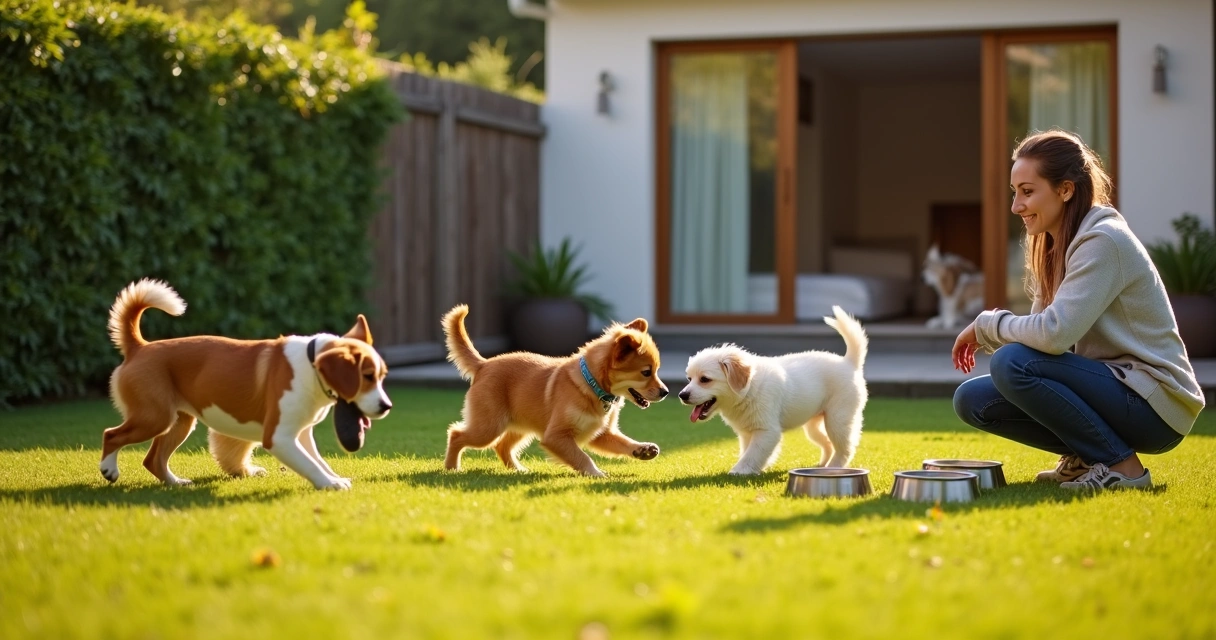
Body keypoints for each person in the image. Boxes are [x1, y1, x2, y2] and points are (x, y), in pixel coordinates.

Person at [951, 129, 1205, 490]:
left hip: (1157, 403)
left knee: (1012, 363)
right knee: (973, 399)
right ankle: (1086, 457)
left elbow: (1054, 334)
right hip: (1116, 388)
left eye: (1027, 192)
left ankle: (1125, 470)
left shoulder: (1103, 241)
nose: (1016, 206)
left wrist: (986, 325)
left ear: (1065, 189)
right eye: (1015, 193)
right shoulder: (1055, 246)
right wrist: (996, 331)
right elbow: (1043, 335)